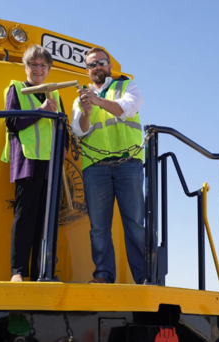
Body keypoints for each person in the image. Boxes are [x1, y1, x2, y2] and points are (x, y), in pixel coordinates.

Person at [71, 47, 145, 284]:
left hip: (129, 164)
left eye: (100, 63)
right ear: (87, 70)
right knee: (99, 227)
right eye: (91, 65)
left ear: (109, 65)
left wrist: (97, 101)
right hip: (95, 167)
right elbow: (78, 130)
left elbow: (127, 109)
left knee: (134, 223)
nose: (96, 68)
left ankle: (145, 276)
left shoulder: (128, 86)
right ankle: (103, 274)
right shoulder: (80, 98)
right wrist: (86, 112)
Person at [1, 44, 66, 282]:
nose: (38, 69)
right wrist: (40, 110)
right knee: (25, 215)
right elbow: (11, 122)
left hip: (50, 162)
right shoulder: (16, 89)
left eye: (43, 65)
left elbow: (62, 125)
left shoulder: (56, 94)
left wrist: (65, 148)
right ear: (25, 67)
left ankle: (43, 271)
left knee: (46, 219)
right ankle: (18, 272)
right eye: (33, 64)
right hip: (26, 160)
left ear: (49, 69)